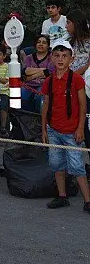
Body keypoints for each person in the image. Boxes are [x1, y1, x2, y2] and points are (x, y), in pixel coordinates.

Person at [40, 40, 90, 213]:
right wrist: (44, 129)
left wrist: (80, 128)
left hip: (71, 130)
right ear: (52, 58)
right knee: (56, 164)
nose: (60, 59)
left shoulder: (76, 79)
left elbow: (83, 106)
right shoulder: (49, 81)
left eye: (64, 56)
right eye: (57, 55)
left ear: (71, 59)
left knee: (76, 165)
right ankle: (62, 196)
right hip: (54, 129)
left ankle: (88, 200)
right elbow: (45, 105)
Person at [21, 35, 54, 112]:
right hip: (28, 85)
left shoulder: (51, 57)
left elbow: (48, 72)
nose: (41, 44)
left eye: (44, 43)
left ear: (48, 45)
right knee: (22, 95)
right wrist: (42, 70)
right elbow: (25, 71)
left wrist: (31, 77)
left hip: (44, 85)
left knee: (40, 98)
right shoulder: (29, 57)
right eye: (38, 42)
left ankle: (38, 119)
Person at [65, 10, 90, 75]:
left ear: (76, 24)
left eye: (68, 22)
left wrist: (72, 76)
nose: (65, 26)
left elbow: (88, 65)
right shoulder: (70, 41)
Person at [0, 44, 10, 138]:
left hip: (3, 91)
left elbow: (6, 81)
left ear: (4, 56)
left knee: (3, 106)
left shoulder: (7, 66)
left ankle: (3, 126)